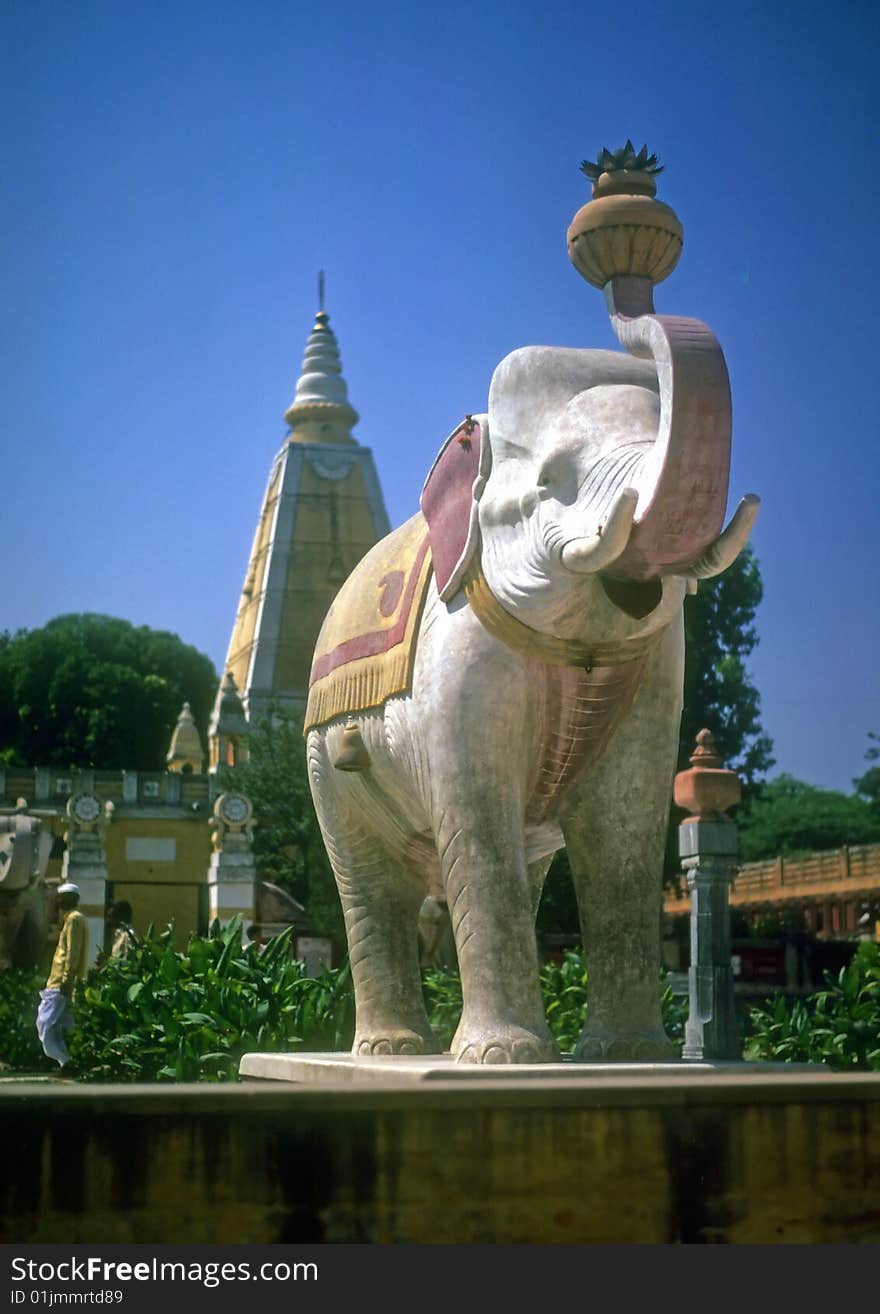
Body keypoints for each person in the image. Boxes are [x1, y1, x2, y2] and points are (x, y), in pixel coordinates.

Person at [36, 881, 88, 1069]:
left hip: (59, 983)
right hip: (62, 982)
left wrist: (66, 980)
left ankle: (66, 1061)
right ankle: (68, 1063)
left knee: (45, 1024)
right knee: (64, 1027)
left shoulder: (73, 919)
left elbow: (72, 953)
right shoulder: (74, 919)